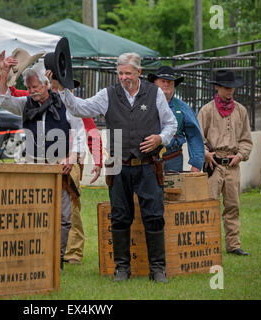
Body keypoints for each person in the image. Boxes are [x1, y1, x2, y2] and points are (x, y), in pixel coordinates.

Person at [51, 52, 177, 283]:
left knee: (154, 216)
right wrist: (62, 90)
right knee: (119, 216)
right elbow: (81, 108)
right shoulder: (108, 94)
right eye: (120, 73)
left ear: (139, 72)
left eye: (128, 73)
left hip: (148, 164)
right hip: (117, 165)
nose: (123, 77)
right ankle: (122, 268)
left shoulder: (155, 93)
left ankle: (157, 269)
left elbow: (171, 123)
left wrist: (160, 138)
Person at [0, 55, 87, 270]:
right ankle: (34, 256)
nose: (32, 91)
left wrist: (72, 157)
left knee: (64, 217)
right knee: (33, 214)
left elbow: (80, 132)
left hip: (60, 167)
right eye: (29, 88)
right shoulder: (25, 103)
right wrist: (3, 75)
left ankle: (56, 259)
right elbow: (3, 100)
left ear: (47, 84)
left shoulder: (65, 103)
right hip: (33, 166)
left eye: (35, 87)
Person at [197, 69, 253, 256]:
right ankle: (207, 243)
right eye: (226, 88)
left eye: (232, 88)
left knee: (232, 205)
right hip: (213, 164)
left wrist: (240, 155)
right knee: (209, 204)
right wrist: (205, 154)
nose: (230, 91)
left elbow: (246, 140)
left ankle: (233, 244)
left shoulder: (241, 111)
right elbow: (198, 138)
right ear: (218, 87)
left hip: (232, 164)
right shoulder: (206, 110)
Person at [148, 66, 204, 172]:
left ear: (174, 85)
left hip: (173, 159)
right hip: (147, 160)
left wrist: (196, 164)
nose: (166, 84)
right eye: (162, 81)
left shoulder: (183, 108)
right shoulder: (144, 105)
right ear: (155, 83)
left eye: (170, 82)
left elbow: (194, 136)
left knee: (173, 189)